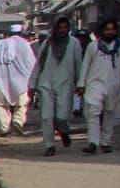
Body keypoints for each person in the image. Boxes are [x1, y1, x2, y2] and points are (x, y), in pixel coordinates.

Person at [79, 18, 120, 154]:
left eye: (112, 29)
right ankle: (92, 142)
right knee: (93, 112)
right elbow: (85, 65)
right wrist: (81, 84)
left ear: (116, 31)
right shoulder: (93, 46)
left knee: (109, 113)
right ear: (101, 31)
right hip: (94, 84)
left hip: (113, 85)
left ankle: (105, 142)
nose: (109, 32)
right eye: (107, 29)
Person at [29, 15, 83, 154]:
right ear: (55, 28)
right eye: (60, 27)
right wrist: (32, 84)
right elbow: (38, 64)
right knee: (46, 117)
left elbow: (79, 64)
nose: (62, 30)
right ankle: (49, 146)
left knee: (61, 116)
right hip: (45, 84)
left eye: (65, 27)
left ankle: (63, 131)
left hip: (65, 84)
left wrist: (80, 83)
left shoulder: (74, 43)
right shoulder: (47, 43)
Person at [0, 24, 37, 136]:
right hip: (22, 80)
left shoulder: (1, 45)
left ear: (9, 33)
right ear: (20, 33)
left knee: (2, 105)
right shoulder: (25, 45)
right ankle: (18, 121)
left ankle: (4, 128)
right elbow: (32, 63)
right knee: (22, 104)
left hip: (2, 80)